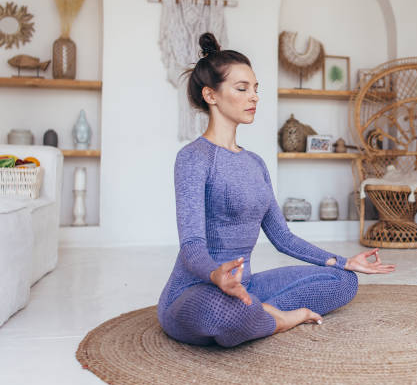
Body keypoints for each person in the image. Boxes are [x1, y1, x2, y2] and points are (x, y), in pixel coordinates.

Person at [157, 32, 396, 348]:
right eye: (242, 89)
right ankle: (281, 318)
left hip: (246, 286)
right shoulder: (193, 158)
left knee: (344, 283)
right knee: (226, 313)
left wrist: (344, 261)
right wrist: (217, 275)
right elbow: (191, 246)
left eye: (256, 89)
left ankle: (257, 311)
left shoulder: (255, 163)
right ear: (211, 95)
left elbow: (282, 237)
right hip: (195, 292)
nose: (254, 97)